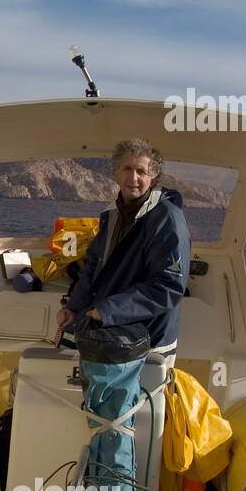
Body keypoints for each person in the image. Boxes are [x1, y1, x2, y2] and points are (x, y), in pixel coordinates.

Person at [56, 139, 190, 360]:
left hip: (146, 340)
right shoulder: (112, 215)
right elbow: (93, 268)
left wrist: (109, 310)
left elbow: (168, 287)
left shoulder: (167, 218)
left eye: (141, 171)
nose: (133, 178)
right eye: (127, 169)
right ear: (115, 173)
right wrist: (73, 306)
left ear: (153, 178)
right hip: (108, 333)